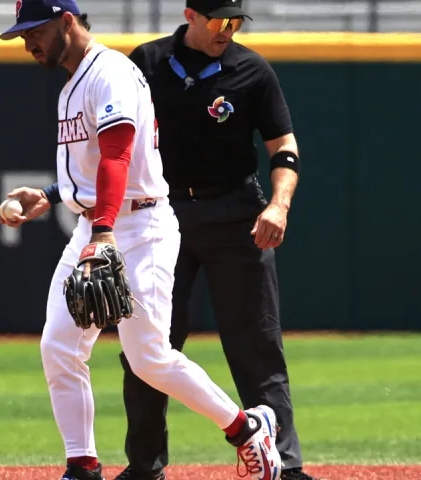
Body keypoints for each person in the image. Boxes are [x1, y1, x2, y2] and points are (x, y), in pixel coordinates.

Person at [0, 1, 283, 479]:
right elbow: (91, 169)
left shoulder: (110, 72)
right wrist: (52, 194)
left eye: (36, 30)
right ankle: (82, 465)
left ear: (67, 20)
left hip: (138, 228)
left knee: (148, 358)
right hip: (97, 225)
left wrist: (104, 232)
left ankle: (247, 426)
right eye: (23, 34)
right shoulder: (74, 83)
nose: (28, 41)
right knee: (59, 347)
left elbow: (117, 156)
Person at [112, 1, 316, 479]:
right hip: (160, 216)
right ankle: (145, 466)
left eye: (237, 21)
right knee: (148, 345)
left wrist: (279, 204)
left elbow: (283, 146)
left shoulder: (251, 69)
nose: (230, 29)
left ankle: (283, 463)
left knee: (257, 344)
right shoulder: (146, 62)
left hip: (235, 213)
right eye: (221, 20)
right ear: (191, 14)